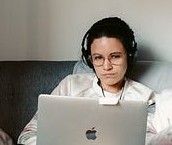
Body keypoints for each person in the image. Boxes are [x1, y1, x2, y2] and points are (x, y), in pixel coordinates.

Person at [17, 17, 155, 145]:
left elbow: (152, 141)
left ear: (129, 56)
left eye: (115, 56)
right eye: (98, 58)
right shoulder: (70, 85)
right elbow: (27, 134)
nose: (107, 66)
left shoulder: (146, 98)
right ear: (90, 60)